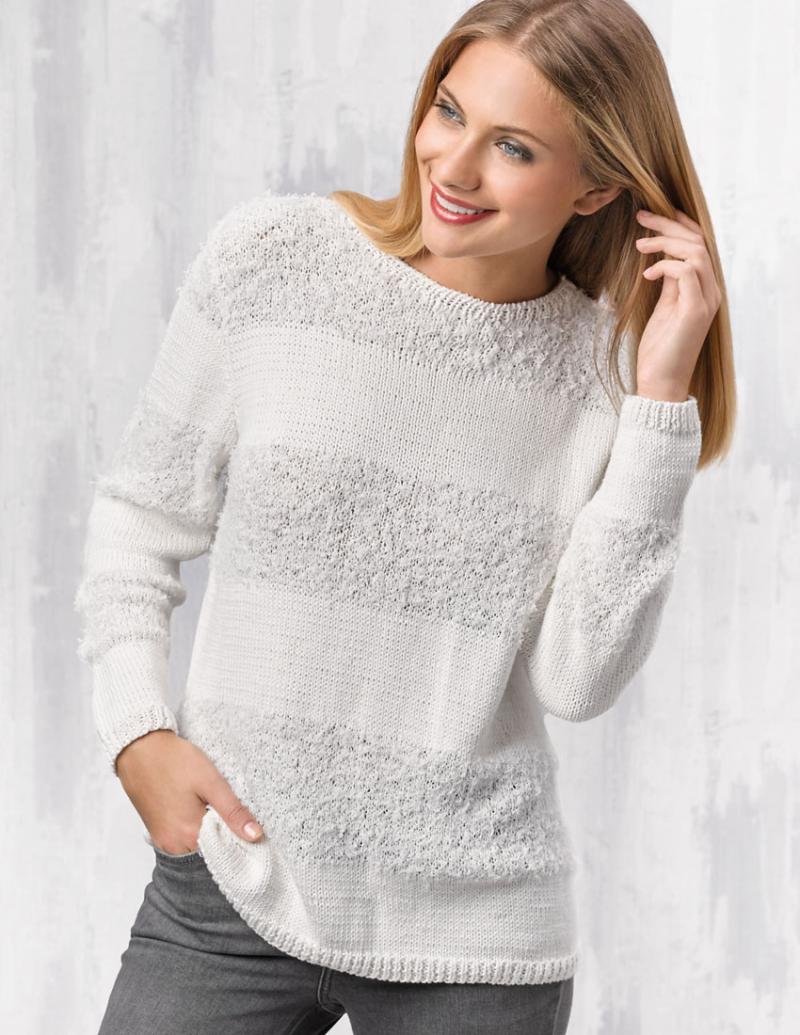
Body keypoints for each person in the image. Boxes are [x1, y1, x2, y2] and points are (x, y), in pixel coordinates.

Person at [74, 1, 734, 1032]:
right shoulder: (272, 263)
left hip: (477, 941)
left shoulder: (606, 376)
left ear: (597, 186)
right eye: (448, 111)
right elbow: (139, 518)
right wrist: (137, 734)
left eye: (512, 148)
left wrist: (657, 401)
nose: (452, 167)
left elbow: (577, 679)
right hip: (231, 885)